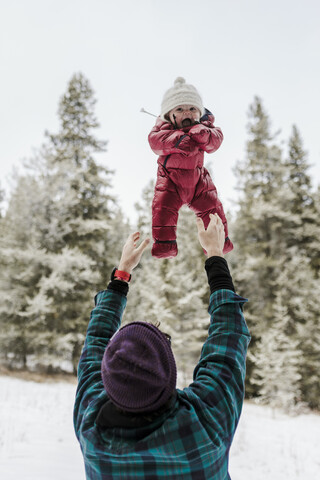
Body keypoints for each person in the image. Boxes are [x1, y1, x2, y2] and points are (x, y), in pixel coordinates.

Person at [73, 213, 250, 479]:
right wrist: (214, 252)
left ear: (106, 377)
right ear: (169, 375)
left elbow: (95, 343)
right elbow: (227, 340)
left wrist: (121, 275)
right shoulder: (205, 424)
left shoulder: (92, 429)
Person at [149, 76, 233, 259]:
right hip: (170, 181)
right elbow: (155, 143)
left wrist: (202, 134)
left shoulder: (205, 127)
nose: (187, 112)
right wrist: (178, 140)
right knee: (162, 208)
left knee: (213, 207)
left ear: (199, 112)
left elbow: (215, 141)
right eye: (180, 109)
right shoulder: (164, 129)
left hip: (198, 182)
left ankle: (220, 241)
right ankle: (165, 245)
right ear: (169, 114)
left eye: (192, 108)